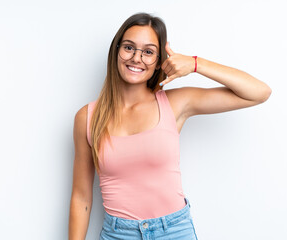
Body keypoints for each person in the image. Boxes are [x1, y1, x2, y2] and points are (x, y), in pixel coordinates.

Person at [68, 12, 271, 240]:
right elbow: (81, 198)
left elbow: (259, 93)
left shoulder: (174, 104)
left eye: (148, 52)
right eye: (128, 47)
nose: (136, 58)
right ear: (116, 52)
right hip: (118, 234)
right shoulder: (87, 118)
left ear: (158, 62)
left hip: (174, 232)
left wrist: (196, 64)